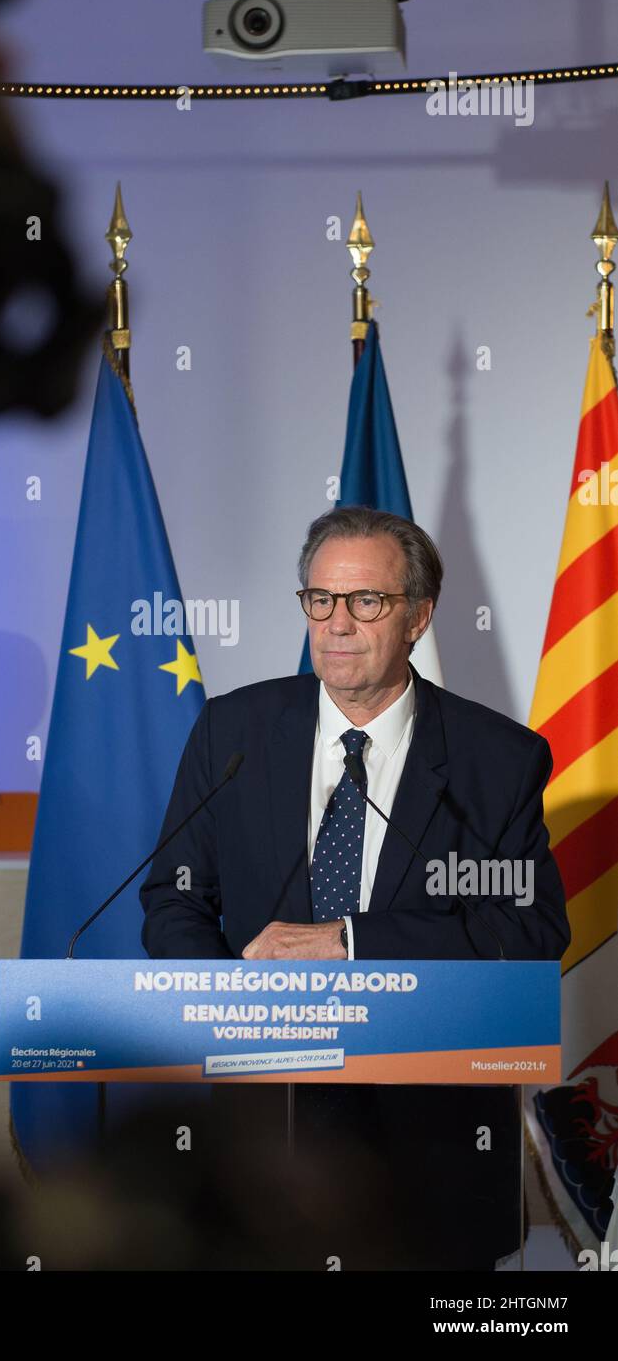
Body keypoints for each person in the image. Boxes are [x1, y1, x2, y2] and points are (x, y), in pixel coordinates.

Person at [140, 505, 570, 1270]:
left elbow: (527, 929)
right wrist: (228, 1002)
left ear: (417, 616)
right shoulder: (230, 732)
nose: (336, 624)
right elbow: (174, 895)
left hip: (431, 1135)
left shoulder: (493, 759)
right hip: (267, 1129)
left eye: (365, 601)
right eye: (319, 599)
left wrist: (350, 943)